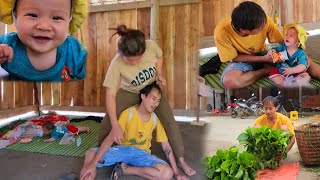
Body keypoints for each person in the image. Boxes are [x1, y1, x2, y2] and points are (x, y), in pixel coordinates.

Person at [98, 24, 195, 176]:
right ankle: (103, 156)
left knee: (168, 120)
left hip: (151, 88)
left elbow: (160, 57)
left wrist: (160, 73)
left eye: (138, 60)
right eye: (130, 61)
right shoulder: (116, 63)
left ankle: (181, 160)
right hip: (129, 91)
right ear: (121, 54)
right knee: (108, 122)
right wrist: (116, 125)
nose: (135, 64)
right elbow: (110, 95)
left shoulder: (151, 46)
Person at [80, 83, 187, 180]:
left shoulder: (155, 119)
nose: (156, 103)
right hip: (122, 150)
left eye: (158, 100)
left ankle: (125, 169)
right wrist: (92, 164)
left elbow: (166, 146)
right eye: (153, 98)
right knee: (90, 154)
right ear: (143, 96)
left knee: (167, 173)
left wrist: (176, 172)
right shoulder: (128, 114)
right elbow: (111, 137)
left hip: (142, 154)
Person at [0, 0, 88, 81]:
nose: (44, 26)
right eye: (33, 15)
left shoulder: (74, 52)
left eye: (56, 18)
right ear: (15, 17)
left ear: (69, 21)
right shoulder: (7, 45)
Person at [214, 1, 283, 89]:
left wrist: (291, 52)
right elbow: (234, 57)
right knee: (229, 82)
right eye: (260, 28)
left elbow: (282, 41)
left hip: (264, 53)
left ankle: (265, 67)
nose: (263, 27)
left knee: (301, 59)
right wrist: (263, 59)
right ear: (244, 30)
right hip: (241, 59)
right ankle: (266, 70)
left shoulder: (264, 20)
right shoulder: (221, 32)